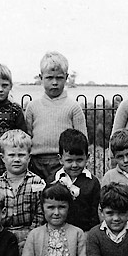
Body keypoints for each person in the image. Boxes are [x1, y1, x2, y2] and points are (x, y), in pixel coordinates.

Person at [24, 51, 87, 183]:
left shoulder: (73, 107)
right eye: (49, 78)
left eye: (59, 78)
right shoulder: (32, 107)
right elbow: (27, 138)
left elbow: (82, 141)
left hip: (63, 163)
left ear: (66, 77)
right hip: (36, 163)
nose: (54, 82)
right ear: (41, 78)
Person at [0, 129, 45, 247]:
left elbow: (40, 213)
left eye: (21, 155)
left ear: (29, 157)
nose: (16, 159)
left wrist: (30, 238)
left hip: (31, 236)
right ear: (2, 157)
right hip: (3, 236)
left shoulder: (37, 183)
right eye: (11, 155)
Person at [53, 128, 100, 233]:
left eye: (79, 160)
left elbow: (94, 215)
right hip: (58, 234)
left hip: (85, 234)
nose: (74, 165)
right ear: (60, 159)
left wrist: (91, 234)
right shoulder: (53, 181)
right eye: (69, 160)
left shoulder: (93, 183)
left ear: (87, 158)